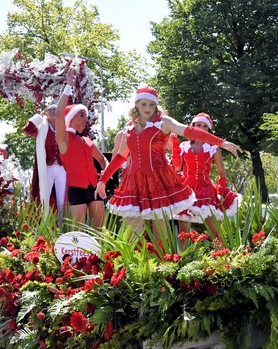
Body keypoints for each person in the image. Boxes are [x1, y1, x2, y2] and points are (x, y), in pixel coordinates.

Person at [94, 86, 241, 244]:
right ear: (136, 104)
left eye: (152, 104)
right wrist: (103, 180)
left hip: (158, 180)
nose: (148, 108)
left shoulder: (163, 123)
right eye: (143, 104)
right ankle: (135, 267)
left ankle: (164, 266)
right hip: (134, 183)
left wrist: (222, 142)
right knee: (131, 235)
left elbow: (190, 131)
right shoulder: (129, 127)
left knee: (160, 231)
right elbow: (120, 157)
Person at [174, 113, 241, 247]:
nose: (201, 128)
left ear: (209, 130)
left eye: (205, 126)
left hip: (206, 191)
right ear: (192, 126)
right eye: (198, 125)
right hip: (186, 191)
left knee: (214, 231)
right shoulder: (183, 146)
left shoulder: (213, 148)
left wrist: (220, 192)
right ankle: (182, 262)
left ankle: (223, 260)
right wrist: (175, 145)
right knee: (183, 232)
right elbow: (176, 167)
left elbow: (222, 174)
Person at [54, 70, 108, 229]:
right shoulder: (64, 139)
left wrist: (104, 179)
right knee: (76, 236)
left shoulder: (86, 140)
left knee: (98, 233)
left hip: (94, 189)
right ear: (71, 118)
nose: (86, 118)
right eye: (82, 115)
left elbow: (102, 159)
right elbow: (58, 114)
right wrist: (69, 86)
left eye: (86, 115)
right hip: (74, 190)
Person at [23, 103, 67, 222]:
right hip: (47, 167)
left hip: (62, 167)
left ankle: (62, 224)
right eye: (51, 110)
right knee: (44, 196)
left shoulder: (63, 127)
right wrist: (40, 115)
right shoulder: (41, 127)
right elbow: (28, 129)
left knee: (62, 198)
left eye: (56, 110)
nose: (54, 112)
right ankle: (43, 224)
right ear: (46, 112)